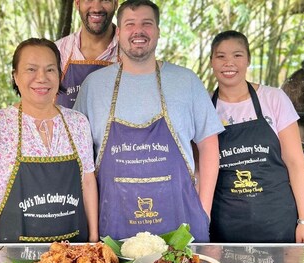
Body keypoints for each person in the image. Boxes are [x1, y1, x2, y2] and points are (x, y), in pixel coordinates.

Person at [74, 0, 224, 241]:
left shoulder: (186, 81)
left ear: (158, 31)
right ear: (119, 32)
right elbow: (79, 160)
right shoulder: (94, 86)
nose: (138, 31)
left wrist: (203, 212)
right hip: (113, 233)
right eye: (130, 24)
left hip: (181, 231)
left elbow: (209, 146)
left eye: (147, 23)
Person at [0, 38, 98, 243]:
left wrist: (93, 240)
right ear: (15, 76)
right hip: (13, 258)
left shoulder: (78, 123)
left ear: (60, 75)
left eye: (50, 70)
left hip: (75, 257)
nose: (41, 78)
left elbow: (88, 182)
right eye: (31, 69)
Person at [209, 30, 304, 243]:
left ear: (248, 60)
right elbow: (200, 170)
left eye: (237, 55)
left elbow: (296, 162)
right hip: (224, 224)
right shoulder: (205, 105)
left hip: (277, 221)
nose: (229, 63)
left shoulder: (273, 98)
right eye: (221, 56)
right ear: (211, 62)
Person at [55, 0, 119, 108]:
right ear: (77, 3)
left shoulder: (130, 53)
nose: (96, 8)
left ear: (116, 3)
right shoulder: (58, 51)